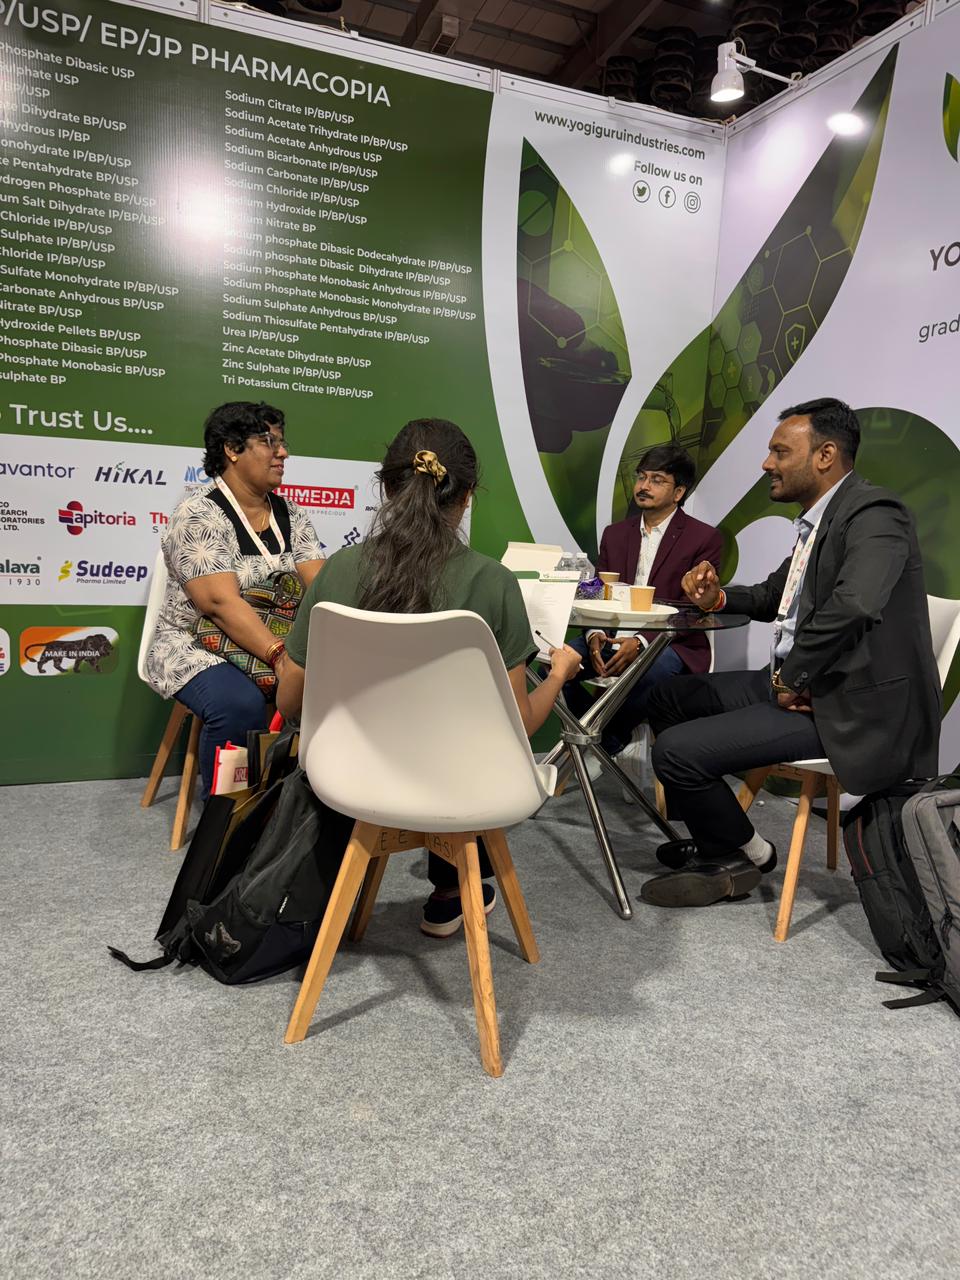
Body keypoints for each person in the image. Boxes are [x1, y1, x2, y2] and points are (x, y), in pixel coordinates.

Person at [277, 417, 583, 937]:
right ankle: (451, 889)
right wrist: (558, 676)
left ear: (385, 486)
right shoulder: (493, 582)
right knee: (469, 741)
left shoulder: (339, 570)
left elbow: (290, 702)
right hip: (457, 786)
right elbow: (519, 726)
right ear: (467, 496)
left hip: (348, 775)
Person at [640, 397, 941, 909]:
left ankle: (740, 855)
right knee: (666, 696)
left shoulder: (875, 513)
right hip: (800, 684)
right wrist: (717, 598)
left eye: (780, 451)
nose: (766, 463)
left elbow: (855, 604)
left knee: (675, 752)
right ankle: (725, 842)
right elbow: (774, 594)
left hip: (848, 706)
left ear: (825, 456)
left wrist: (793, 676)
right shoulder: (819, 522)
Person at [144, 401, 325, 795]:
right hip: (196, 643)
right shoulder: (199, 514)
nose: (283, 453)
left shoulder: (292, 514)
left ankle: (298, 808)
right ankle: (229, 817)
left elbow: (321, 588)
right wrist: (281, 658)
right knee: (239, 704)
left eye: (283, 443)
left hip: (275, 638)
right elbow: (219, 605)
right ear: (231, 449)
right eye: (269, 442)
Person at [564, 445, 722, 766]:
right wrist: (594, 633)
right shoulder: (615, 534)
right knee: (555, 664)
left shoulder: (703, 538)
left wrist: (640, 642)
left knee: (651, 671)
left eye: (657, 480)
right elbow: (599, 594)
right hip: (612, 635)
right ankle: (605, 741)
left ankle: (603, 741)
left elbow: (692, 610)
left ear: (678, 492)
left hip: (670, 643)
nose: (644, 486)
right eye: (641, 477)